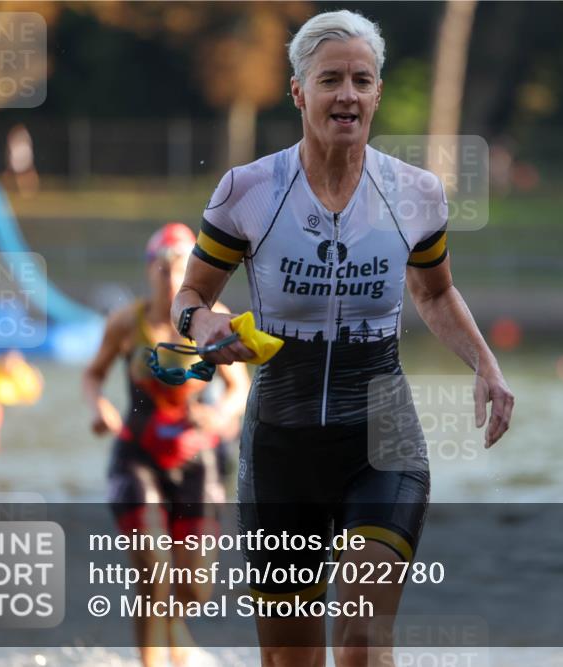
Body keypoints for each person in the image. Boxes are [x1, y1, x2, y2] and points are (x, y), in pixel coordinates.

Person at [172, 9, 515, 666]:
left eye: (362, 79)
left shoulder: (415, 194)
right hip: (281, 447)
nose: (347, 95)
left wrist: (486, 365)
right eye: (331, 80)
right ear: (299, 92)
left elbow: (436, 292)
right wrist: (202, 323)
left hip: (380, 439)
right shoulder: (246, 191)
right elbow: (190, 296)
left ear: (378, 92)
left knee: (360, 639)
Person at [83, 222, 250, 667]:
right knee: (152, 567)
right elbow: (92, 374)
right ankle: (151, 660)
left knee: (196, 587)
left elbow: (240, 386)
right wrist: (98, 406)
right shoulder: (128, 322)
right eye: (161, 266)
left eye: (179, 265)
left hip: (198, 458)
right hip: (137, 457)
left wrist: (221, 414)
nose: (170, 275)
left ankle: (173, 628)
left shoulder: (215, 320)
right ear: (149, 271)